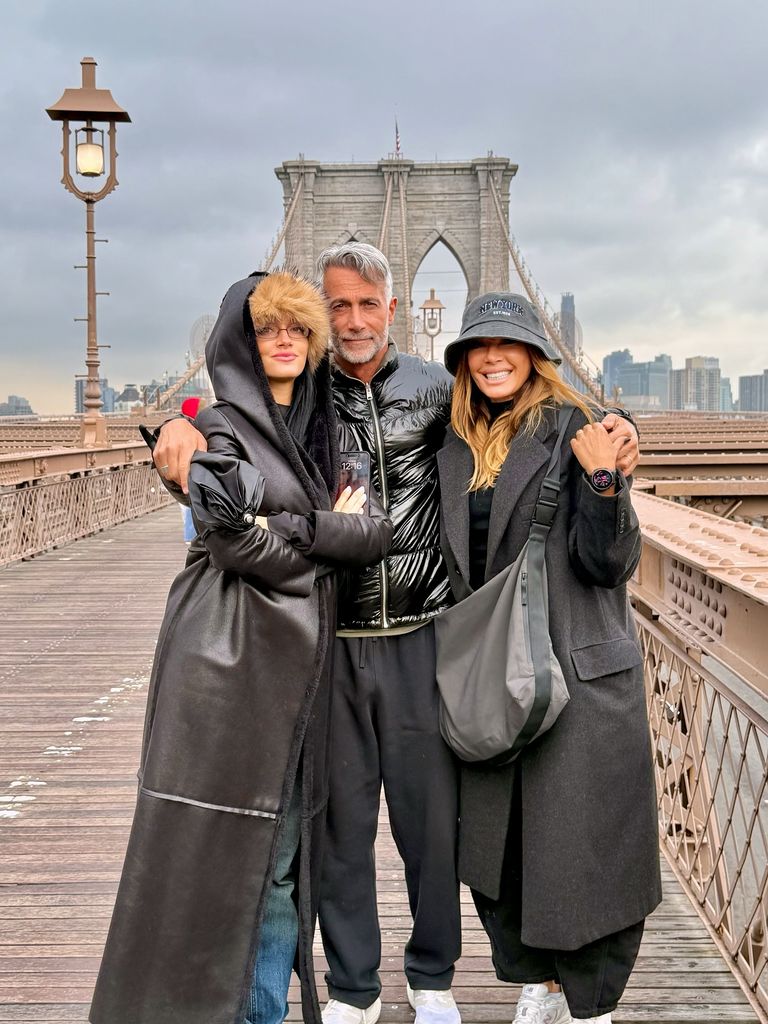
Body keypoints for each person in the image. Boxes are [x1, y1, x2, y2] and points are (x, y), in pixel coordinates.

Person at [152, 244, 641, 1024]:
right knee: (341, 824)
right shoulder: (303, 389)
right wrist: (180, 439)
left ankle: (432, 980)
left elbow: (523, 421)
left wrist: (615, 428)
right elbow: (239, 409)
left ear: (393, 305)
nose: (351, 321)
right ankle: (354, 989)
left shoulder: (437, 387)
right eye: (336, 306)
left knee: (431, 828)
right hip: (329, 638)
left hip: (426, 634)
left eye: (366, 304)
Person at [89, 271, 392, 1024]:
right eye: (266, 328)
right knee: (210, 861)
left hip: (302, 679)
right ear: (241, 342)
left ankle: (259, 1013)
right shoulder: (217, 426)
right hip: (226, 673)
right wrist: (327, 532)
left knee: (282, 865)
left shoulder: (337, 433)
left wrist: (286, 530)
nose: (284, 340)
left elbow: (375, 533)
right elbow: (228, 535)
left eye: (297, 327)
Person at [436, 292, 661, 1024]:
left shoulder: (577, 432)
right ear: (464, 361)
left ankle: (586, 1001)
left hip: (572, 672)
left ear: (536, 355)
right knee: (506, 853)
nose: (493, 357)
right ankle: (543, 980)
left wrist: (606, 480)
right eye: (479, 345)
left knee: (580, 850)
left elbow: (610, 562)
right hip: (492, 673)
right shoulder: (454, 443)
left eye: (509, 343)